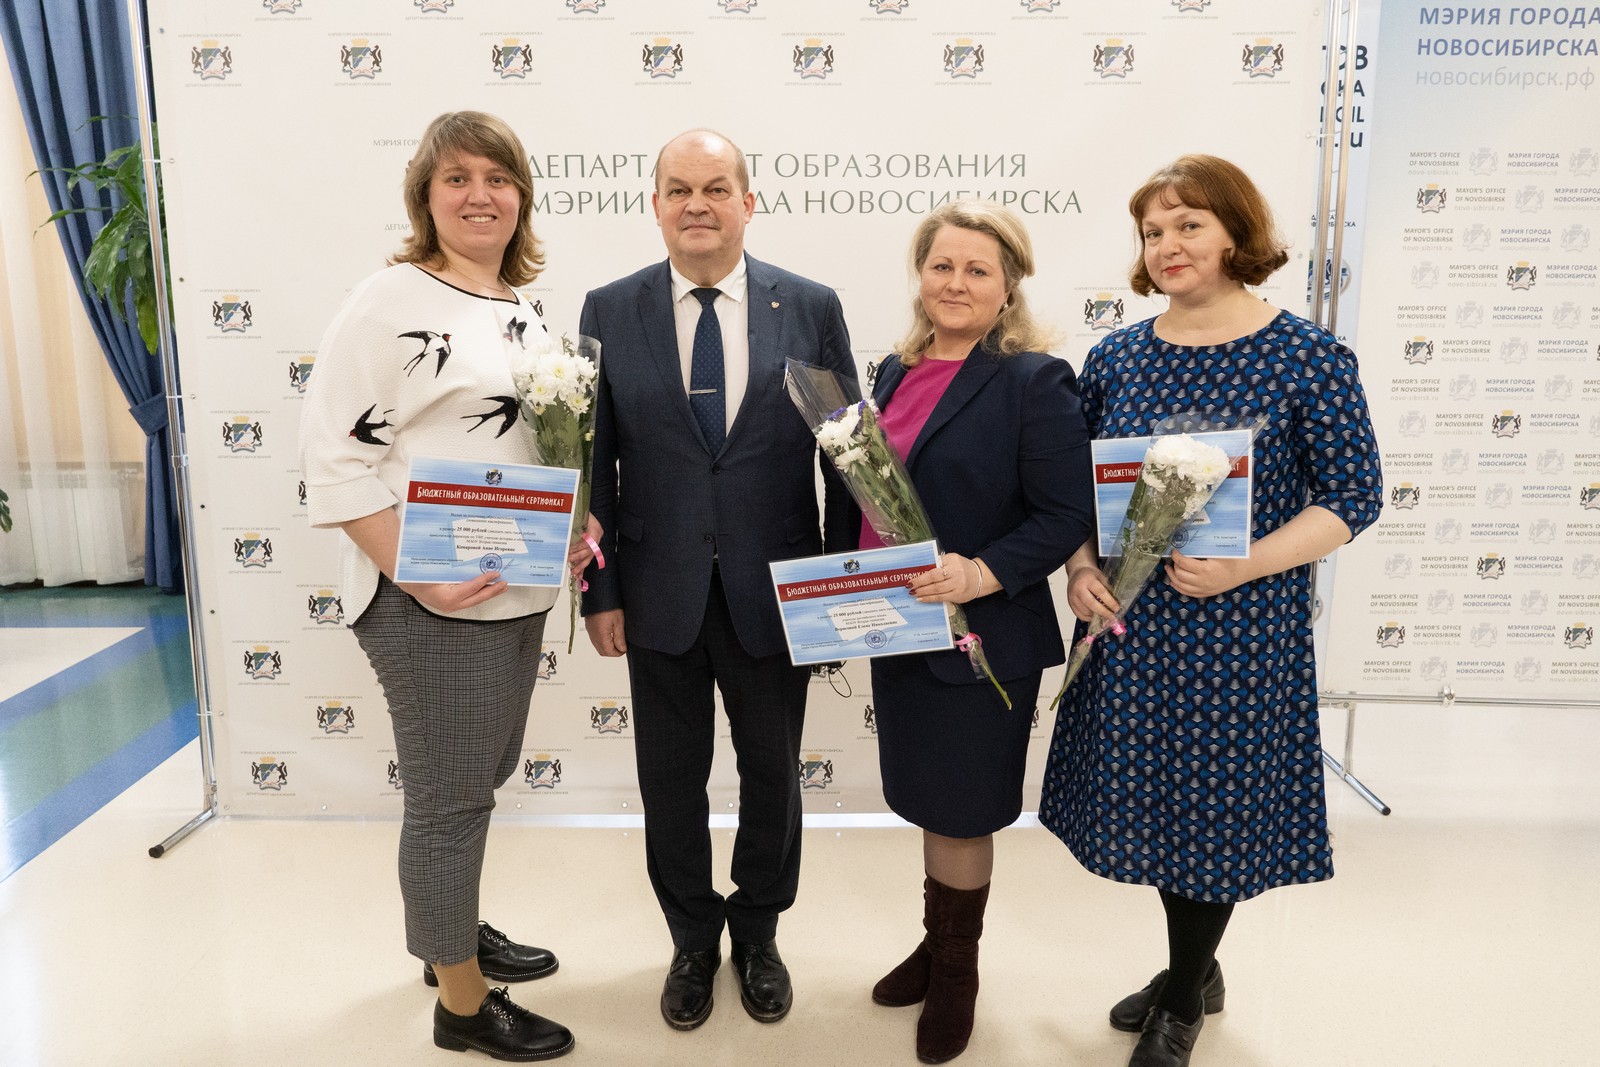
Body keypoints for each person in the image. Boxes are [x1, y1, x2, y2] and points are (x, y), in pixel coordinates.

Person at [1038, 155, 1383, 1067]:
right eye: (1153, 231)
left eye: (1188, 224)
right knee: (1158, 808)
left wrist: (1246, 564)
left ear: (1235, 232)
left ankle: (1184, 994)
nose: (1167, 244)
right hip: (1132, 627)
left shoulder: (1307, 357)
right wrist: (1079, 567)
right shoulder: (1116, 357)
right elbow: (1074, 493)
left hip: (1242, 628)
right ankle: (1199, 964)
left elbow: (1353, 496)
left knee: (1215, 816)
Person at [300, 111, 593, 1062]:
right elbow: (332, 457)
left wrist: (573, 520)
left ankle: (450, 935)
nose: (480, 195)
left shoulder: (517, 304)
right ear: (425, 196)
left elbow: (528, 446)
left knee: (479, 777)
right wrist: (416, 573)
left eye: (498, 178)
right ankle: (462, 1005)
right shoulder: (388, 301)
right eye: (457, 178)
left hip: (511, 589)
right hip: (429, 603)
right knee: (449, 799)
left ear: (522, 196)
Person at [577, 129, 856, 1031]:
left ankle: (760, 931)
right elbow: (592, 464)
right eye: (679, 188)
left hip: (776, 595)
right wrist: (600, 591)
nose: (697, 203)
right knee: (670, 781)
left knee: (773, 777)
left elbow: (847, 455)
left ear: (747, 201)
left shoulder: (808, 306)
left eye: (716, 187)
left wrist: (843, 586)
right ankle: (693, 938)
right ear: (655, 204)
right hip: (655, 593)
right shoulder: (608, 309)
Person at [856, 200, 1095, 1064]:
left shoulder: (1033, 380)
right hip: (900, 627)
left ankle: (958, 969)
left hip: (983, 634)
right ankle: (936, 943)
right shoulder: (893, 370)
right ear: (920, 275)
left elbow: (1065, 513)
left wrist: (982, 572)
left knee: (962, 811)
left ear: (1008, 286)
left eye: (977, 269)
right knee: (929, 799)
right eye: (941, 265)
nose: (955, 283)